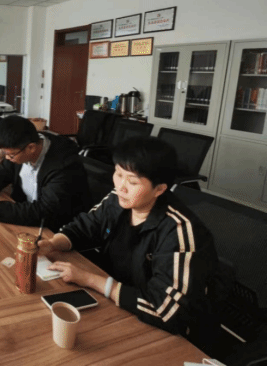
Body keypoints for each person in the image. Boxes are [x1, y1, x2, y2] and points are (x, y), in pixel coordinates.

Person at [37, 136, 219, 352]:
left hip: (168, 335)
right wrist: (51, 244)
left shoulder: (179, 231)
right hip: (118, 305)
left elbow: (166, 311)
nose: (120, 187)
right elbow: (86, 226)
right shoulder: (119, 199)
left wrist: (90, 279)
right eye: (118, 174)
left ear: (159, 189)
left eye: (132, 182)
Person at [0, 115, 90, 230]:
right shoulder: (21, 146)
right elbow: (4, 171)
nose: (7, 158)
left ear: (31, 148)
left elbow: (46, 211)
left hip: (55, 228)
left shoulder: (64, 167)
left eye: (11, 155)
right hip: (26, 216)